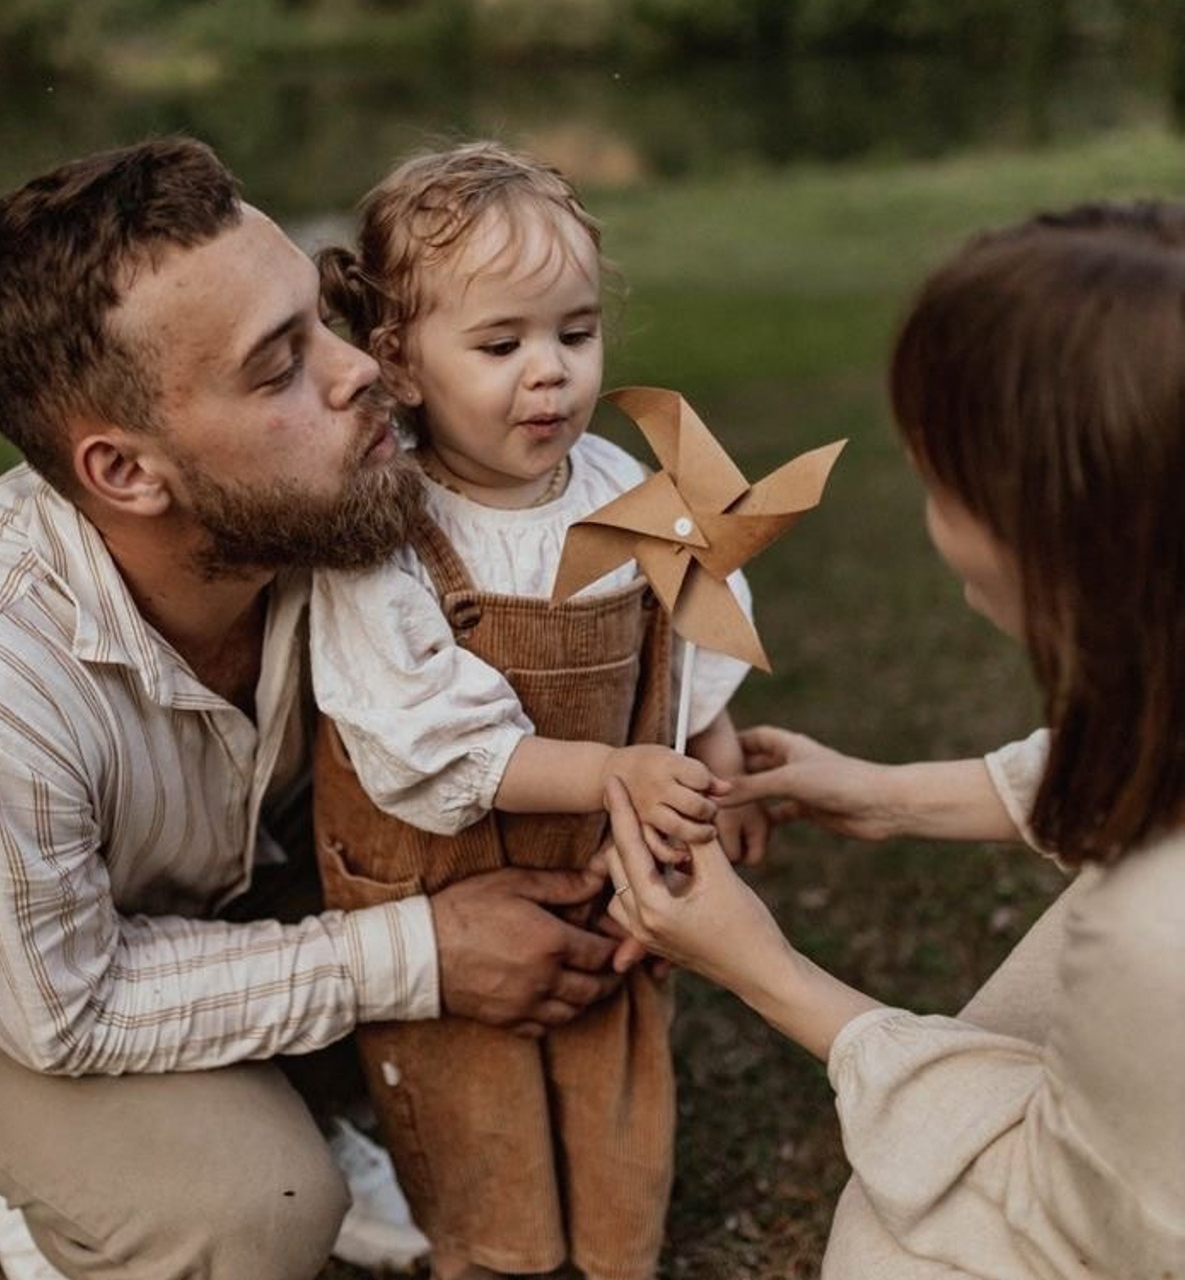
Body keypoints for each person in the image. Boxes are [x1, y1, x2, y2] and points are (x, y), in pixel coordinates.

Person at [0, 136, 636, 1280]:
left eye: (322, 321)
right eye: (277, 366)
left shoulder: (331, 511)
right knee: (254, 1205)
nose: (359, 372)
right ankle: (32, 1156)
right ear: (127, 474)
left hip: (237, 866)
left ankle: (318, 1079)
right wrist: (422, 950)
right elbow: (69, 1005)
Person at [604, 201, 1185, 1279]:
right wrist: (889, 793)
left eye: (933, 463)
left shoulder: (1157, 934)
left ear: (1041, 526)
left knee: (887, 1248)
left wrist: (762, 968)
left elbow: (1071, 1209)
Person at [311, 141, 766, 1280]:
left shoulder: (625, 488)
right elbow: (420, 735)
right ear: (399, 364)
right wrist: (612, 775)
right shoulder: (384, 527)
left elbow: (689, 626)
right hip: (441, 884)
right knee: (478, 1135)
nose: (549, 373)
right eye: (500, 344)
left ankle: (613, 1251)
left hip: (607, 873)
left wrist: (706, 747)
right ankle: (485, 1254)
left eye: (573, 331)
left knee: (613, 1088)